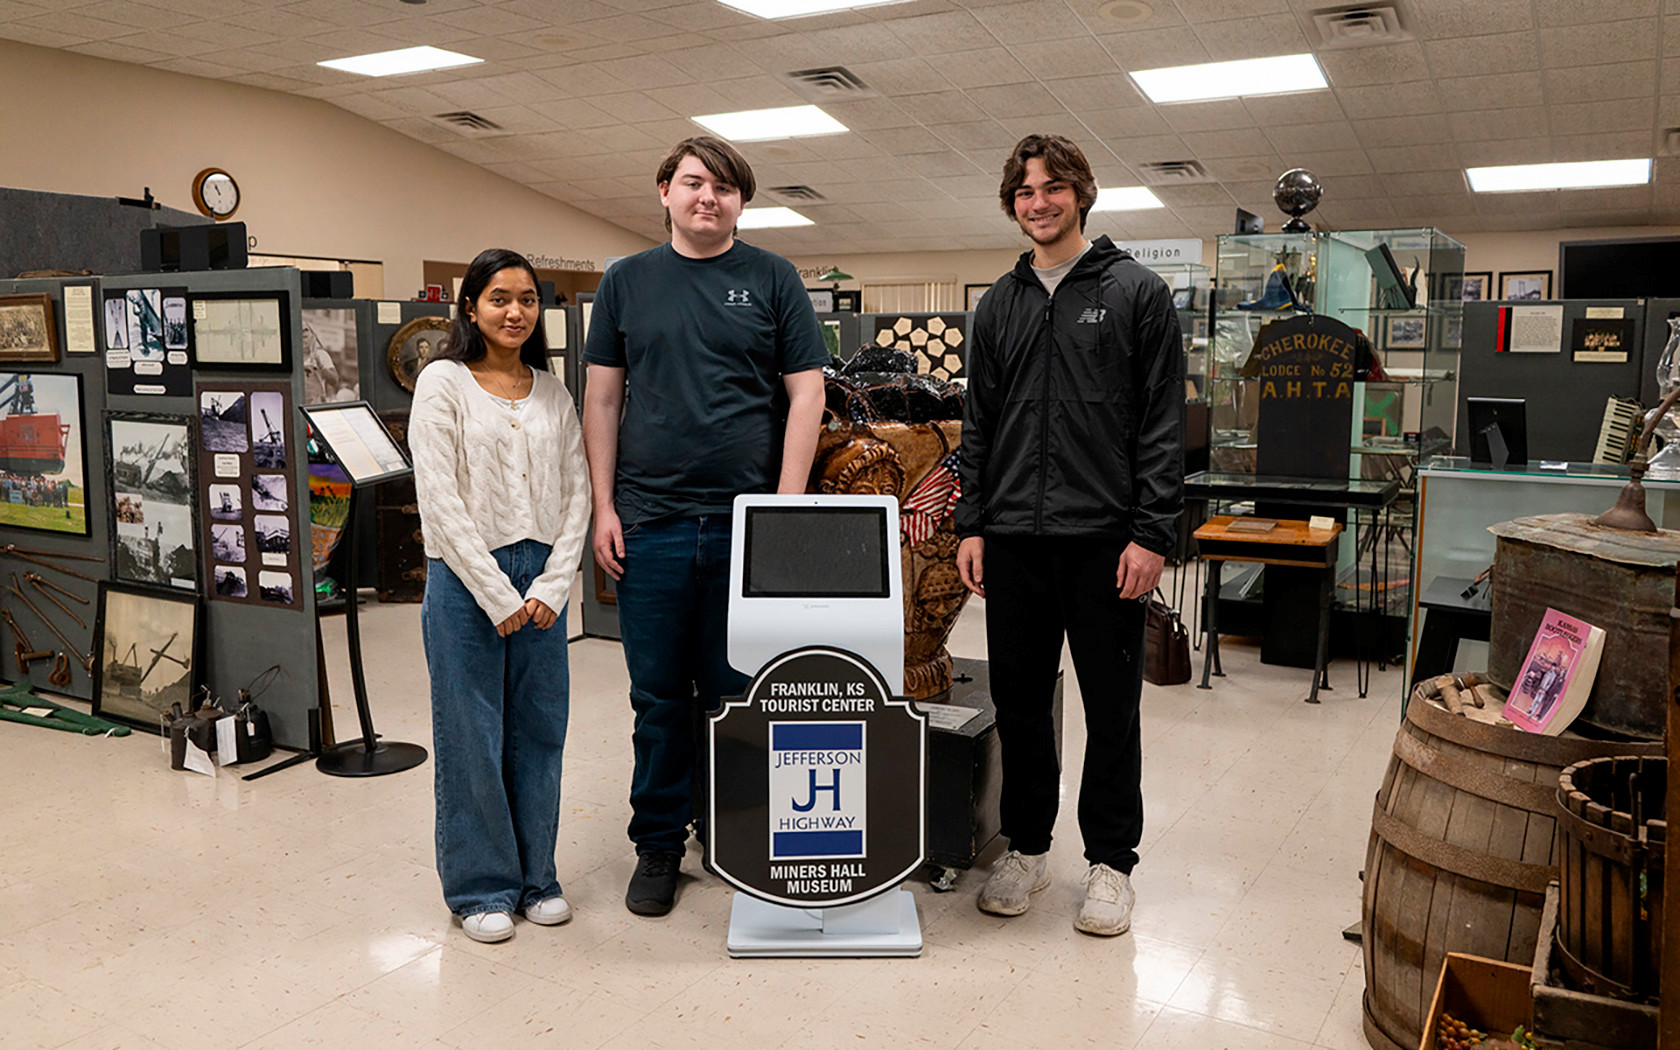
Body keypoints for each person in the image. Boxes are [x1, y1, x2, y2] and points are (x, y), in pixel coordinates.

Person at [582, 136, 828, 917]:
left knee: (737, 693)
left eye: (724, 188)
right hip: (649, 525)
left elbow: (806, 395)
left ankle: (730, 830)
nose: (707, 198)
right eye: (693, 183)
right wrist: (603, 508)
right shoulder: (625, 283)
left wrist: (784, 510)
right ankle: (658, 844)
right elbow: (603, 401)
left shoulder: (772, 279)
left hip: (745, 525)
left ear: (740, 202)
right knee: (657, 697)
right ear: (663, 191)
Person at [955, 134, 1184, 937]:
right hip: (1014, 538)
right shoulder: (1000, 304)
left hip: (1106, 542)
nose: (1038, 202)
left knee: (1112, 710)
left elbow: (1162, 425)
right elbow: (977, 425)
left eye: (1052, 187)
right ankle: (1026, 847)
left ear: (1081, 193)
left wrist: (1152, 533)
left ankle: (1112, 865)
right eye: (1024, 190)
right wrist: (972, 521)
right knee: (1020, 705)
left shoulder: (1136, 293)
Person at [409, 248, 590, 944]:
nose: (515, 311)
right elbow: (440, 498)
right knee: (471, 734)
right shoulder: (443, 382)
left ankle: (538, 877)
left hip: (542, 578)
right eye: (498, 298)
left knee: (540, 732)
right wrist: (495, 591)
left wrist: (552, 585)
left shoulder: (553, 391)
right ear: (470, 308)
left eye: (526, 299)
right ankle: (481, 886)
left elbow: (578, 493)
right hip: (464, 578)